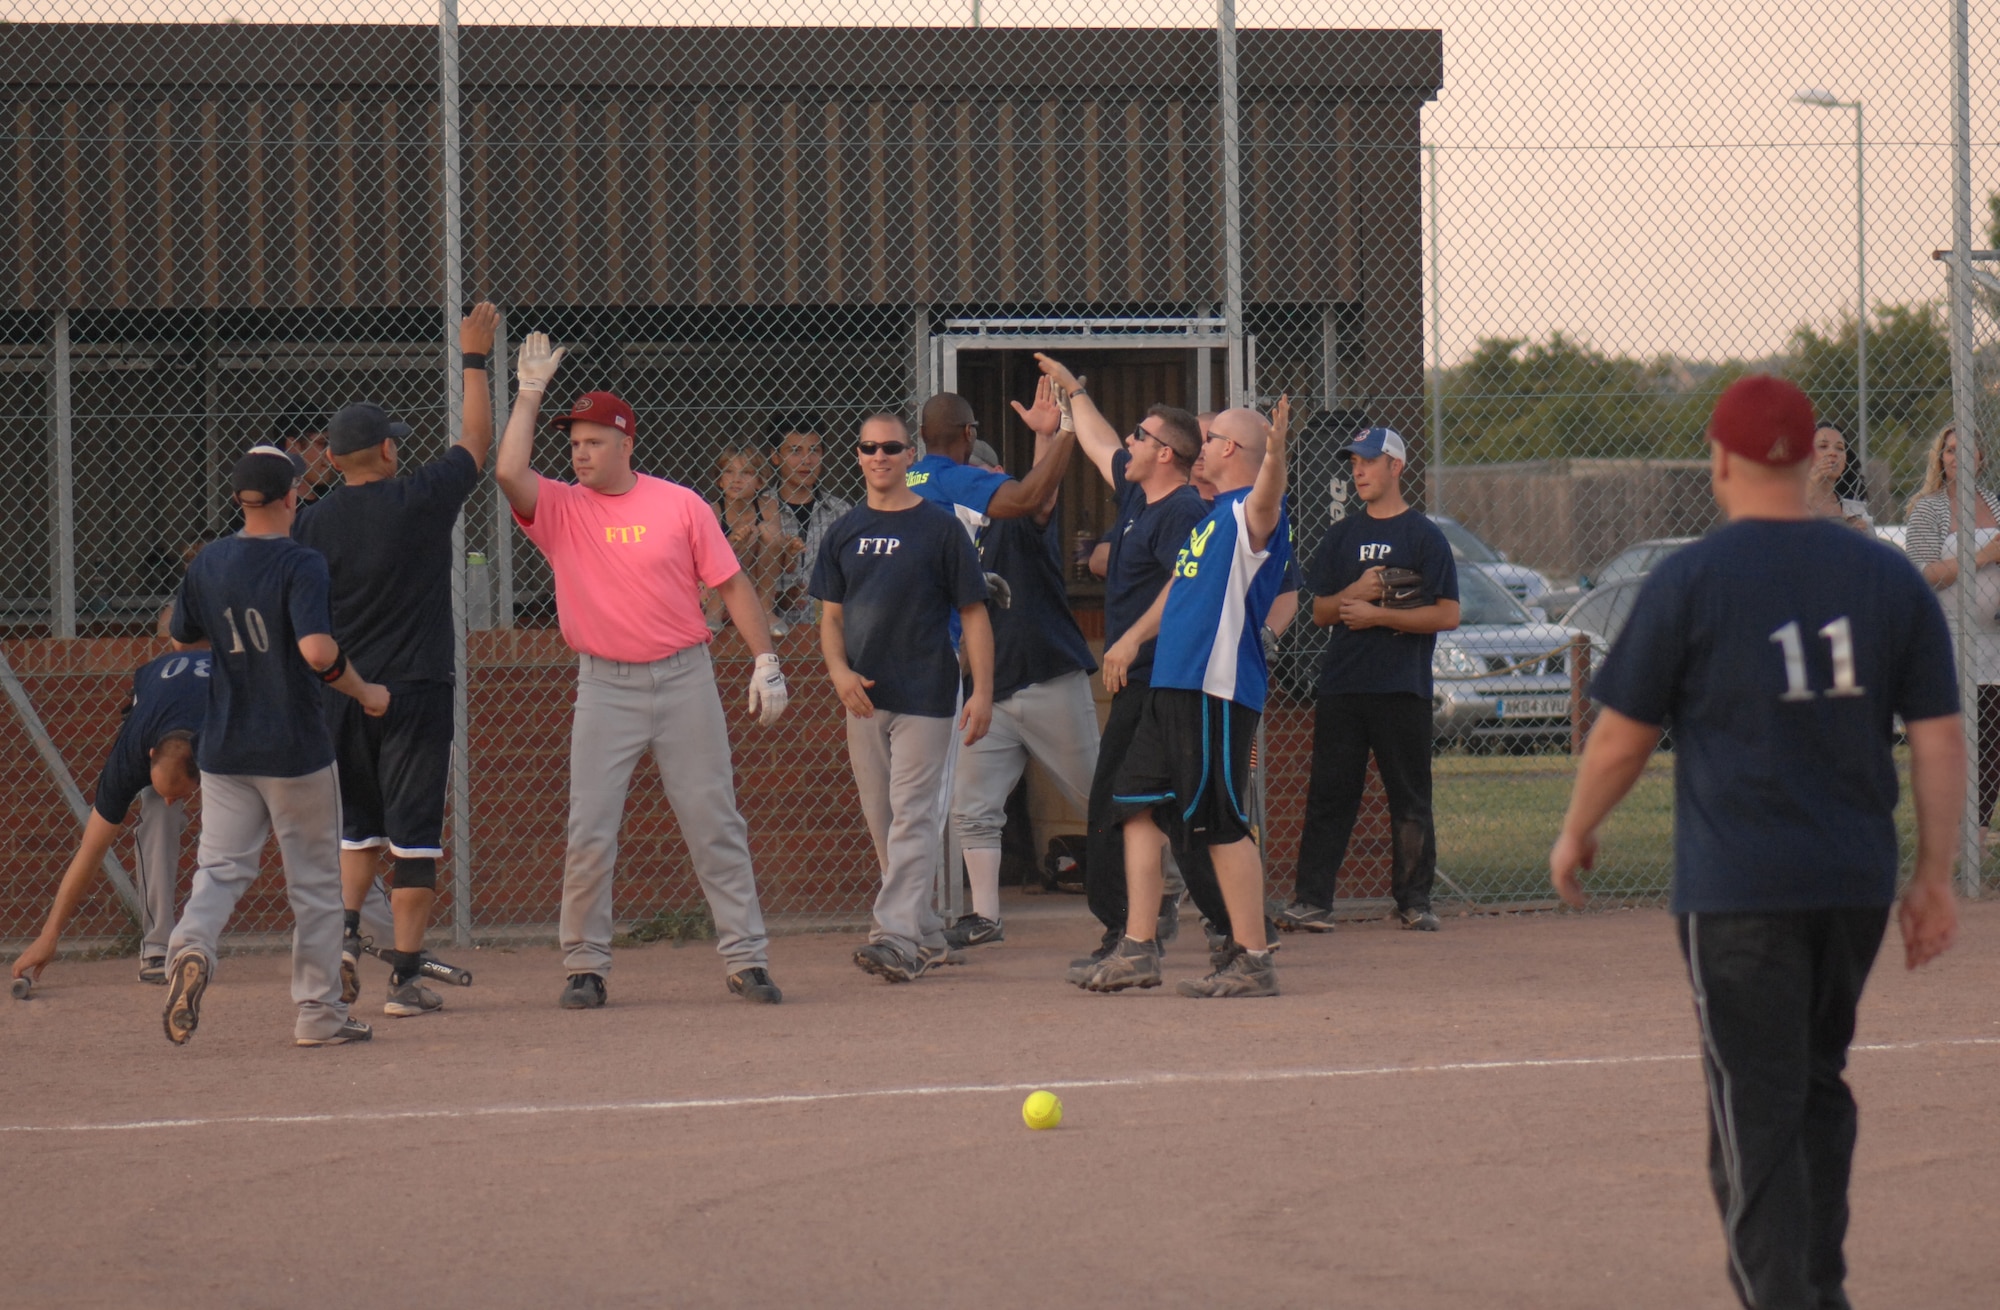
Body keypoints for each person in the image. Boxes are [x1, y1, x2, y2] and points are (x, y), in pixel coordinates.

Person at [1550, 374, 1962, 1310]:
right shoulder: (1884, 574)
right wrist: (1932, 876)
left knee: (1755, 1103)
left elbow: (1621, 735)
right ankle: (1819, 1286)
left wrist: (1576, 831)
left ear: (1723, 459)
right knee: (1815, 1081)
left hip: (1737, 892)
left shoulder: (1694, 576)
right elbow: (1939, 738)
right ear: (1808, 457)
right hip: (1853, 884)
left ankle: (1787, 1296)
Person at [494, 335, 790, 1010]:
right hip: (605, 685)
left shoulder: (679, 503)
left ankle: (746, 959)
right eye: (575, 444)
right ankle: (585, 966)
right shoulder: (563, 507)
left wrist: (765, 659)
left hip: (684, 678)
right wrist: (529, 395)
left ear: (627, 444)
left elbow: (734, 584)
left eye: (594, 441)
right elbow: (509, 472)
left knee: (714, 822)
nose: (580, 453)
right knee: (591, 829)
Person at [291, 303, 495, 1018]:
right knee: (412, 835)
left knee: (357, 827)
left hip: (341, 691)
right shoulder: (416, 499)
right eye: (393, 442)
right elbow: (476, 439)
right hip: (414, 691)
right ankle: (404, 977)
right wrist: (473, 357)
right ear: (382, 452)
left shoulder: (311, 521)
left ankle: (346, 938)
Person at [161, 445, 390, 1047]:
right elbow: (317, 652)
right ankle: (318, 1014)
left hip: (226, 747)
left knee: (219, 869)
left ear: (241, 499)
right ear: (293, 496)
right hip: (293, 748)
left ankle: (190, 948)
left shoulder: (208, 562)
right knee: (314, 885)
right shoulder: (300, 561)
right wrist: (365, 692)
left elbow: (180, 634)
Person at [1024, 357, 1239, 977]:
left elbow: (1187, 582)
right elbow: (1094, 440)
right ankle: (1141, 932)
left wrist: (1129, 640)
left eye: (1141, 436)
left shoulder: (1181, 515)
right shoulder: (1140, 496)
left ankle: (1211, 931)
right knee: (1141, 808)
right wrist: (1075, 390)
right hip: (1140, 684)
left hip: (1163, 682)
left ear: (1167, 454)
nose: (1129, 442)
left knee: (1161, 810)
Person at [1079, 396, 1295, 999]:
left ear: (1231, 450)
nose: (1202, 441)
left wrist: (1275, 454)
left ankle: (1253, 956)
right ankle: (1139, 948)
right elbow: (1179, 586)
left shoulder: (1251, 516)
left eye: (1214, 435)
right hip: (1170, 684)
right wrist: (1132, 637)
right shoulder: (1207, 518)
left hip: (1215, 689)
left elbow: (1269, 495)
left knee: (1221, 823)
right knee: (1139, 808)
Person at [812, 413, 994, 981]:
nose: (880, 456)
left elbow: (975, 613)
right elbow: (831, 617)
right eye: (869, 447)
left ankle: (894, 937)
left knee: (914, 817)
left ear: (910, 454)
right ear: (859, 454)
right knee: (882, 818)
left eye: (891, 447)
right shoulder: (843, 530)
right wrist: (838, 672)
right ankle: (927, 932)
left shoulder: (941, 529)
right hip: (865, 696)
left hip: (927, 691)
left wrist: (982, 691)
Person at [1280, 426, 1461, 933]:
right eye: (1353, 462)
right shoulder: (1342, 535)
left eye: (1367, 461)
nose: (1357, 470)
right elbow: (1318, 611)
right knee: (1330, 794)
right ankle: (1312, 900)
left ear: (1395, 467)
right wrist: (1356, 592)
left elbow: (1447, 614)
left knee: (1409, 797)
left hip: (1401, 685)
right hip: (1343, 684)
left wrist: (1382, 616)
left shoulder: (1424, 537)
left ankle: (1413, 900)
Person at [941, 393, 1098, 948]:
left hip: (1047, 676)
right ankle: (984, 916)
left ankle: (1169, 885)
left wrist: (1048, 437)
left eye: (979, 481)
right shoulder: (940, 533)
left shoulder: (1014, 519)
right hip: (986, 692)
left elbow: (1041, 493)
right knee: (974, 806)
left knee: (1099, 795)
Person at [9, 650, 206, 989]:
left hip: (217, 707)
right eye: (166, 787)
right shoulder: (129, 755)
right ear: (150, 755)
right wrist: (49, 934)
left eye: (181, 792)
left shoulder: (230, 728)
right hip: (159, 696)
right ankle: (158, 948)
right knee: (160, 811)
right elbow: (92, 848)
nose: (174, 798)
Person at [1902, 423, 2000, 846]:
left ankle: (1974, 840)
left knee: (1993, 737)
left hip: (1995, 639)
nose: (1957, 456)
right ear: (1939, 459)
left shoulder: (1995, 504)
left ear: (1981, 457)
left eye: (1966, 449)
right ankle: (1950, 837)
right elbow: (1922, 576)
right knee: (1958, 744)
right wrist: (1981, 557)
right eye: (1948, 450)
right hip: (1953, 638)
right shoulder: (1929, 509)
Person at [767, 413, 852, 632]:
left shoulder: (840, 512)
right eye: (795, 451)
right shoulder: (760, 511)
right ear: (775, 457)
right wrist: (778, 599)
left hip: (829, 632)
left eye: (814, 450)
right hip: (770, 633)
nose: (807, 460)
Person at [705, 445, 792, 633]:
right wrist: (734, 544)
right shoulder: (714, 511)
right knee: (732, 543)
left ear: (760, 482)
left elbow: (779, 554)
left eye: (746, 472)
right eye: (729, 472)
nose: (737, 479)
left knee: (763, 531)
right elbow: (706, 560)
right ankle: (714, 611)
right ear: (719, 480)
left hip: (755, 580)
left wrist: (790, 550)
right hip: (718, 587)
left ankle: (765, 609)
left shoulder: (768, 506)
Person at [1804, 425, 1871, 529]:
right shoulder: (1788, 504)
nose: (1833, 453)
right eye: (1823, 446)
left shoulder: (1853, 510)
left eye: (1840, 448)